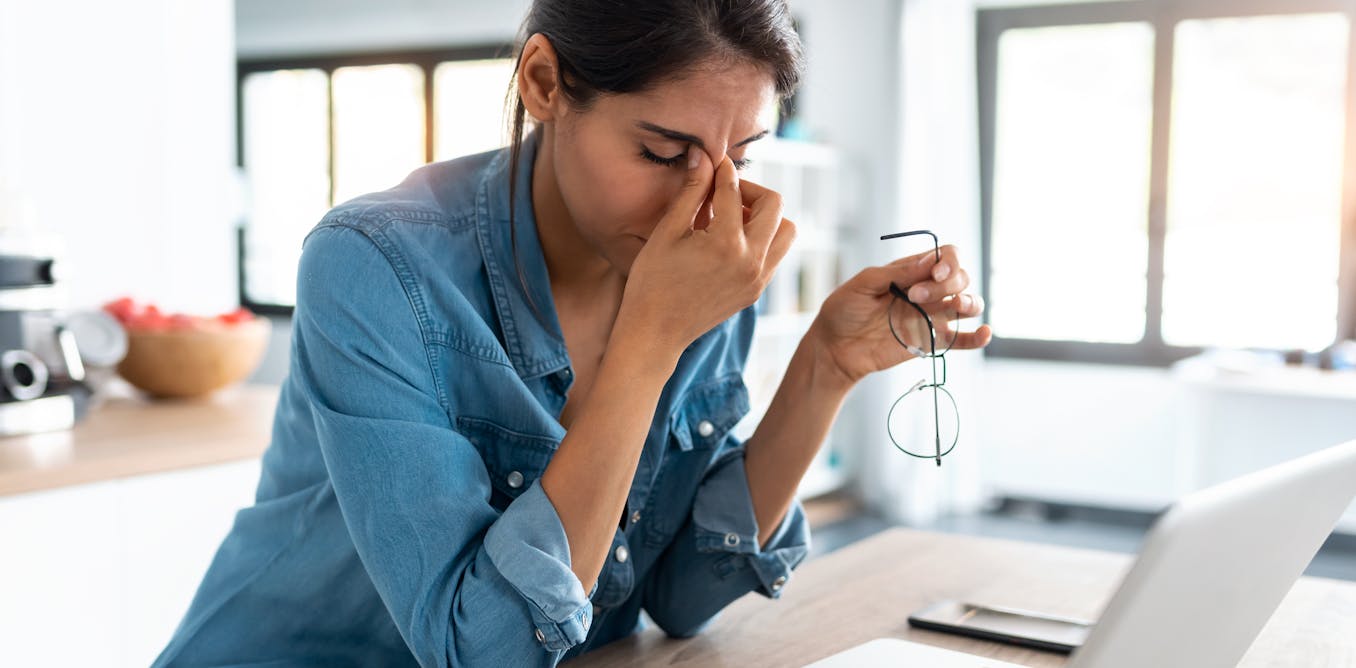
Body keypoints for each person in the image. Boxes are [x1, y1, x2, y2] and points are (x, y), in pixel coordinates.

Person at [153, 0, 991, 665]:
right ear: (544, 82)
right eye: (662, 153)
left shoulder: (703, 260)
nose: (706, 206)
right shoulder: (375, 265)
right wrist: (649, 344)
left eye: (742, 156)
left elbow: (681, 595)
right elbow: (481, 649)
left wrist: (826, 366)